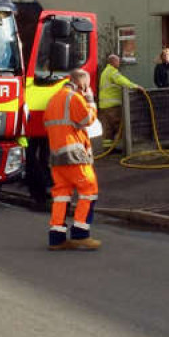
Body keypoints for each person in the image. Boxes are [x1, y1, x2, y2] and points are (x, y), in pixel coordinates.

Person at [44, 68, 100, 251]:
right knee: (89, 190)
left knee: (61, 195)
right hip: (74, 156)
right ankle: (80, 235)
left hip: (57, 157)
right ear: (82, 84)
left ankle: (57, 238)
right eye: (87, 85)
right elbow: (87, 119)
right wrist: (90, 100)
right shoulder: (73, 98)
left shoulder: (54, 99)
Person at [97, 54, 140, 150]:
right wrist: (135, 86)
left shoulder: (105, 72)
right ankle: (125, 147)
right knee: (119, 126)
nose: (119, 63)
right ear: (113, 62)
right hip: (113, 106)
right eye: (118, 61)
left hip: (104, 106)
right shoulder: (112, 71)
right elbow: (122, 81)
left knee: (107, 128)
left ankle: (108, 149)